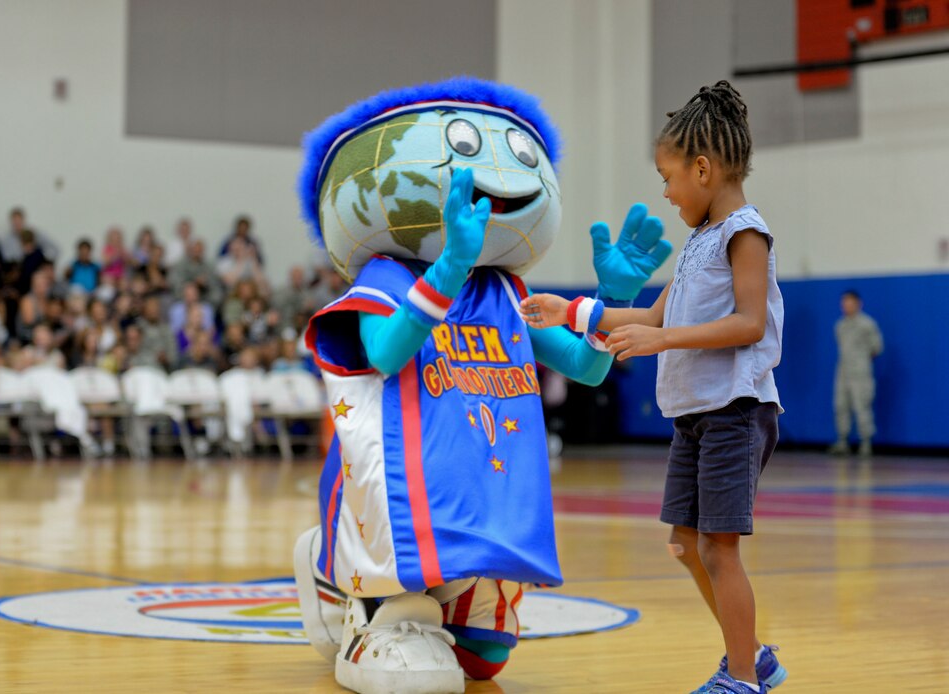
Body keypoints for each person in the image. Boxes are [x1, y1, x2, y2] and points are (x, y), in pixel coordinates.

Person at [291, 78, 672, 694]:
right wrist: (447, 268)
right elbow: (386, 352)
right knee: (413, 640)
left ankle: (346, 577)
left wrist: (614, 299)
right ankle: (345, 584)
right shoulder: (384, 276)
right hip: (401, 495)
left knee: (483, 659)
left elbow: (587, 366)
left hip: (489, 497)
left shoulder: (506, 292)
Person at [524, 81, 786, 694]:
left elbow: (749, 323)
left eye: (669, 178)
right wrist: (572, 312)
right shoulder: (699, 240)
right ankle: (755, 657)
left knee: (719, 551)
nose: (665, 193)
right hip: (696, 414)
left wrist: (662, 343)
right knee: (684, 546)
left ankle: (743, 679)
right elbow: (652, 316)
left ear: (703, 167)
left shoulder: (745, 233)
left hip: (735, 411)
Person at [828, 290, 883, 457]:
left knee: (862, 406)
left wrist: (861, 362)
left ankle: (865, 443)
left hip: (860, 372)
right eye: (843, 302)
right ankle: (842, 442)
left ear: (858, 303)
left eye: (849, 302)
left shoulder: (867, 324)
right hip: (843, 372)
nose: (846, 305)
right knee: (841, 405)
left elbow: (876, 348)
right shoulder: (840, 325)